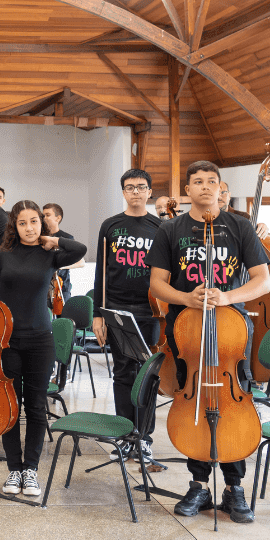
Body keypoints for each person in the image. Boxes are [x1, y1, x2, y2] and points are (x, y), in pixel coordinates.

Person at [148, 160, 270, 525]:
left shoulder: (239, 226)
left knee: (233, 402)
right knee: (195, 401)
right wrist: (188, 298)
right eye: (197, 181)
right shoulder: (170, 229)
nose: (205, 186)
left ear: (220, 188)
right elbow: (157, 284)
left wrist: (227, 297)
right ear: (188, 190)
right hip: (187, 329)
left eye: (211, 181)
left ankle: (235, 488)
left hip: (231, 330)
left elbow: (262, 280)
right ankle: (199, 485)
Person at [0, 200, 87, 497]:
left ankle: (30, 469)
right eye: (22, 223)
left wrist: (53, 240)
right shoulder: (1, 255)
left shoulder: (51, 255)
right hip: (6, 341)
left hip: (40, 340)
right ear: (14, 225)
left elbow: (80, 249)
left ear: (41, 223)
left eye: (34, 221)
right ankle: (14, 470)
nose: (29, 228)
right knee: (10, 406)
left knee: (35, 407)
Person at [93, 169, 165, 469]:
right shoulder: (110, 225)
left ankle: (144, 438)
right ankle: (125, 435)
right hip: (117, 310)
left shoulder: (161, 227)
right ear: (123, 191)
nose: (136, 192)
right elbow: (101, 273)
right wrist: (98, 314)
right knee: (123, 373)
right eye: (130, 187)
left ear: (149, 191)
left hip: (151, 310)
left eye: (141, 187)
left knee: (148, 375)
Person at [42, 203, 75, 300]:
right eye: (43, 215)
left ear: (58, 218)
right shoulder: (39, 237)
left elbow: (80, 262)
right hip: (42, 287)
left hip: (61, 287)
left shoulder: (67, 238)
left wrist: (60, 265)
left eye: (48, 215)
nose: (44, 218)